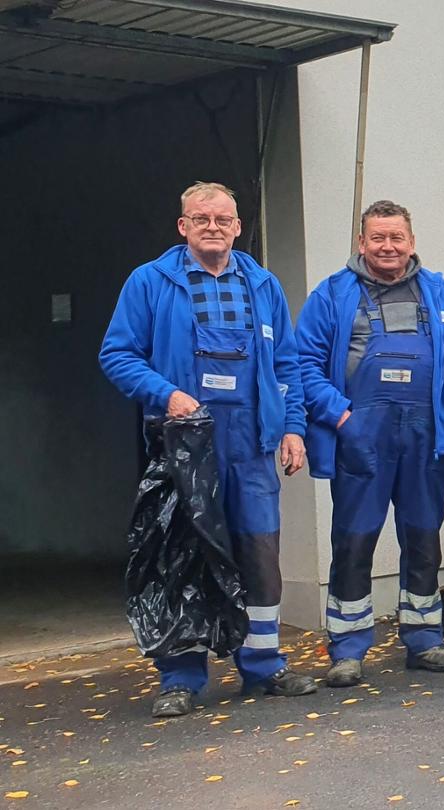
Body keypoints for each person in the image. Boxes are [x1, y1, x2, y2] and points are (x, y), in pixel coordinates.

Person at [99, 181, 318, 716]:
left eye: (223, 219)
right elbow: (118, 354)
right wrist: (165, 393)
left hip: (250, 444)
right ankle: (181, 677)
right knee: (182, 555)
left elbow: (287, 366)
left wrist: (293, 428)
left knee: (259, 555)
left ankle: (263, 666)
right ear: (183, 226)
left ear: (239, 226)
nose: (213, 227)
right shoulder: (151, 282)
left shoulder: (262, 284)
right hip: (183, 441)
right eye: (202, 219)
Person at [293, 200, 444, 687]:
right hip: (362, 439)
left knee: (423, 537)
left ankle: (424, 639)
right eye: (378, 237)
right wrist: (343, 417)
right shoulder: (333, 295)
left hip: (423, 438)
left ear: (412, 241)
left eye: (397, 237)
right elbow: (303, 366)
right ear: (361, 243)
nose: (388, 246)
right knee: (354, 541)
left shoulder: (439, 294)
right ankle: (349, 648)